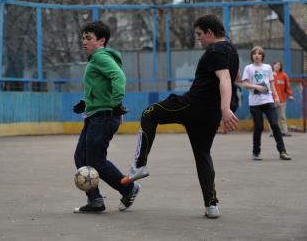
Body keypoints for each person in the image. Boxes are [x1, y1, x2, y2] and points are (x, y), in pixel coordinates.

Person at [121, 14, 240, 218]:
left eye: (200, 34)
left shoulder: (216, 49)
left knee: (149, 114)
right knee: (203, 155)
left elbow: (225, 78)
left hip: (194, 105)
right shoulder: (232, 50)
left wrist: (226, 108)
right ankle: (211, 205)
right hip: (209, 115)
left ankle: (139, 165)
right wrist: (223, 109)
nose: (198, 39)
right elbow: (232, 77)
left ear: (210, 33)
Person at [73, 20, 140, 213]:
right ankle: (95, 200)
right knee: (81, 156)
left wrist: (117, 103)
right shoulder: (96, 59)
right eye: (83, 38)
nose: (84, 42)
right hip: (96, 115)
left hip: (104, 117)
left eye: (89, 38)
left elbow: (119, 77)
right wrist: (87, 102)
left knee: (96, 162)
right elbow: (101, 88)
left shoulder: (101, 57)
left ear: (101, 40)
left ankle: (128, 187)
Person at [240, 47, 292, 161]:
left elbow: (272, 84)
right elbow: (244, 84)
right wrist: (256, 86)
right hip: (255, 103)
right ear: (252, 56)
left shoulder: (268, 67)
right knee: (259, 127)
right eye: (254, 53)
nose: (257, 55)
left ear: (262, 56)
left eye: (259, 53)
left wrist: (276, 96)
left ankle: (282, 151)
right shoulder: (248, 68)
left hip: (268, 101)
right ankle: (256, 152)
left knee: (274, 124)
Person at [272, 60, 295, 136]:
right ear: (273, 66)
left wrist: (290, 95)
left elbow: (287, 87)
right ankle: (273, 132)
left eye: (278, 65)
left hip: (281, 100)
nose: (277, 66)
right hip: (271, 100)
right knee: (272, 117)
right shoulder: (270, 75)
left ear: (281, 67)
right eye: (275, 64)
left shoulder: (284, 75)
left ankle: (284, 131)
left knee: (282, 116)